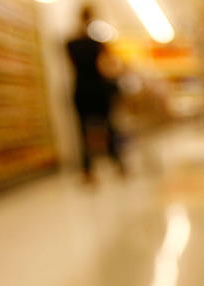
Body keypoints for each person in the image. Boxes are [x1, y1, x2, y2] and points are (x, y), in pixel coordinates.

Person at [66, 5, 124, 183]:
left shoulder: (70, 44)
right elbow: (107, 67)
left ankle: (87, 170)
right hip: (99, 89)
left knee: (82, 130)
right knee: (109, 126)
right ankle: (118, 165)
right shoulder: (99, 45)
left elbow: (72, 67)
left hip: (81, 89)